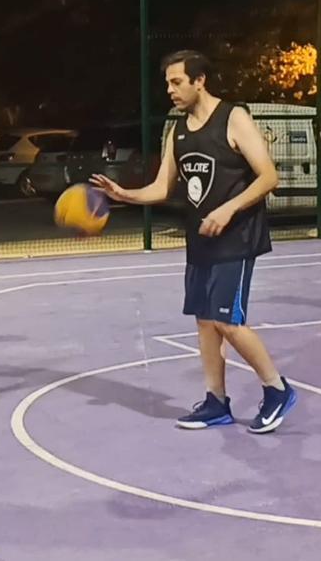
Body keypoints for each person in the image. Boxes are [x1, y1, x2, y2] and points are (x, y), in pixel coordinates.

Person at [91, 50, 298, 433]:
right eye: (167, 83)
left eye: (176, 82)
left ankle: (277, 390)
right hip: (200, 238)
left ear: (199, 80)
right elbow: (159, 188)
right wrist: (124, 195)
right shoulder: (178, 130)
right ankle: (216, 401)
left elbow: (268, 177)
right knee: (205, 323)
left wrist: (228, 210)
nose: (169, 90)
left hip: (236, 236)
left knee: (228, 321)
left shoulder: (233, 118)